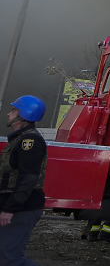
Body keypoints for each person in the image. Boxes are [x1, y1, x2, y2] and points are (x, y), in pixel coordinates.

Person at [0, 95, 48, 266]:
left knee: (9, 259)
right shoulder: (19, 139)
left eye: (13, 110)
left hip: (22, 208)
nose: (8, 114)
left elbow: (29, 178)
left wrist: (10, 209)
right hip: (13, 206)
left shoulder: (30, 141)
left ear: (24, 115)